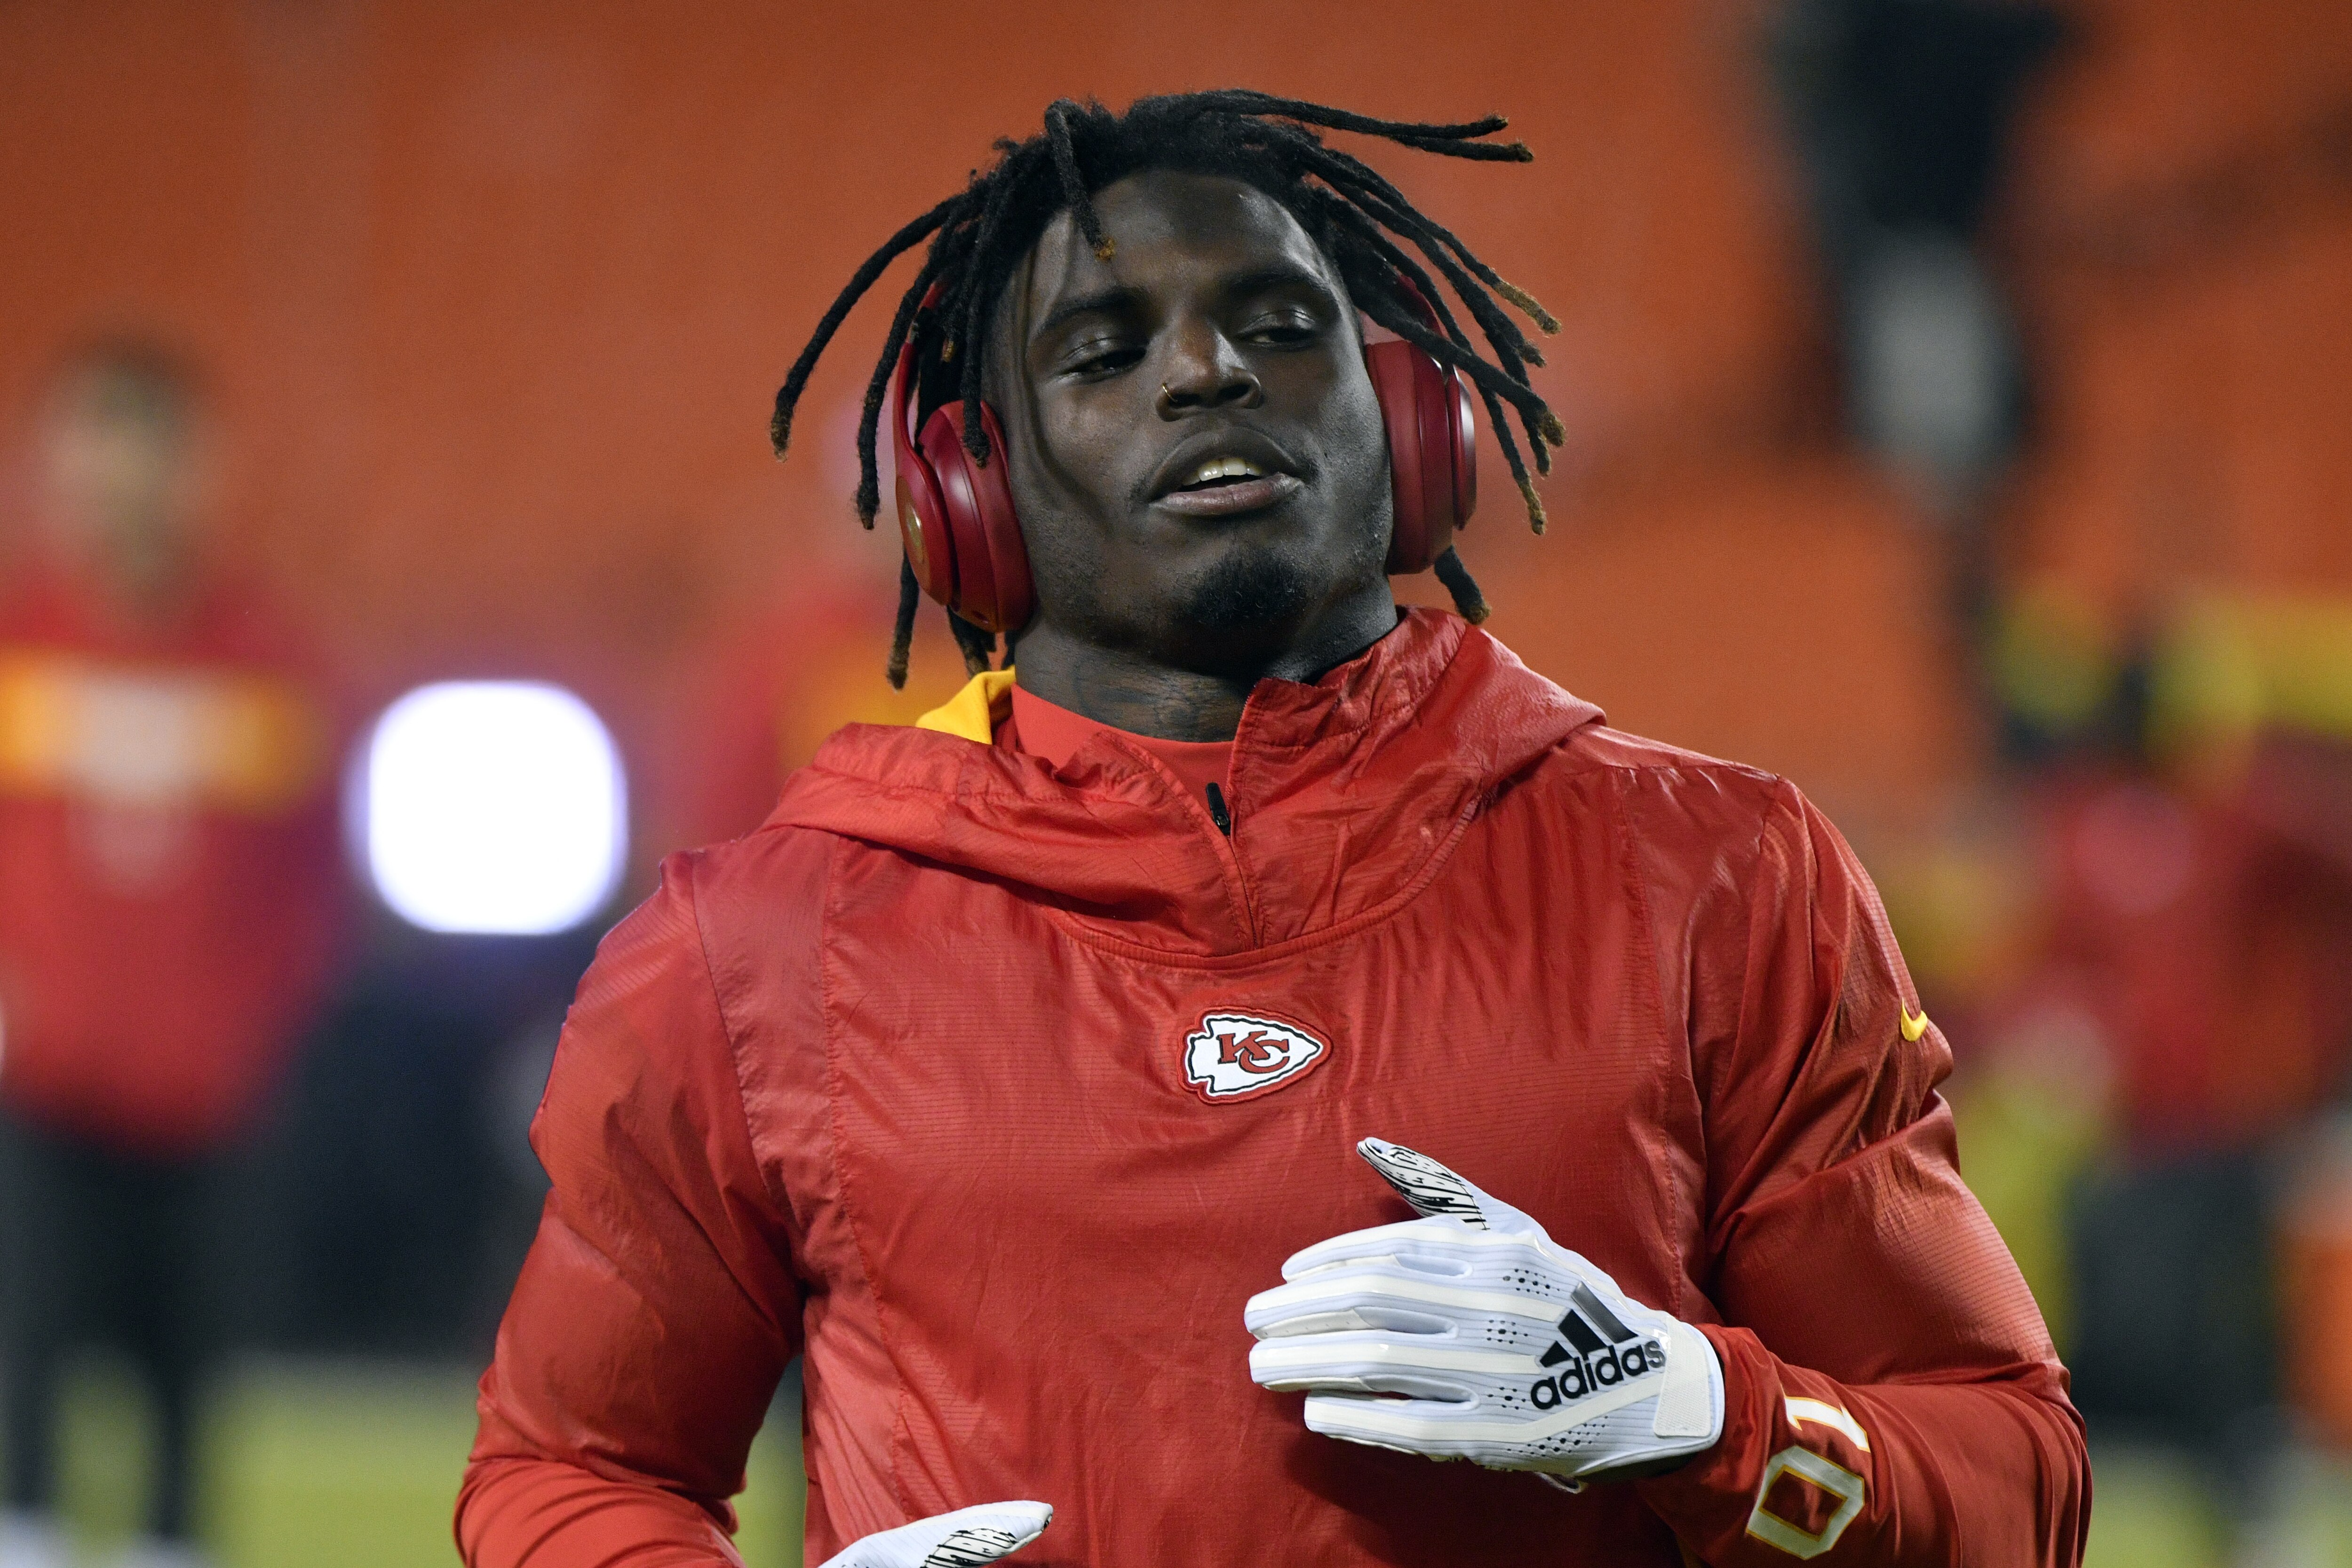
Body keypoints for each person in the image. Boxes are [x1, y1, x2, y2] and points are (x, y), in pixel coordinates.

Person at [457, 93, 2090, 1567]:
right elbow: (563, 1478)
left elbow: (2013, 1494)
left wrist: (1692, 1411)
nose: (1204, 369)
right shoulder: (753, 953)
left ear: (1412, 424)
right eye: (1102, 351)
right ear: (973, 494)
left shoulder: (1723, 881)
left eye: (1279, 324)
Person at [0, 344, 346, 1568]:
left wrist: (254, 1030)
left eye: (142, 454)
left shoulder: (267, 660)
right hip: (40, 1096)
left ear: (193, 470)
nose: (113, 486)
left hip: (209, 1111)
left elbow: (314, 886)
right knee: (21, 1377)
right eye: (90, 452)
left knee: (185, 1398)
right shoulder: (21, 643)